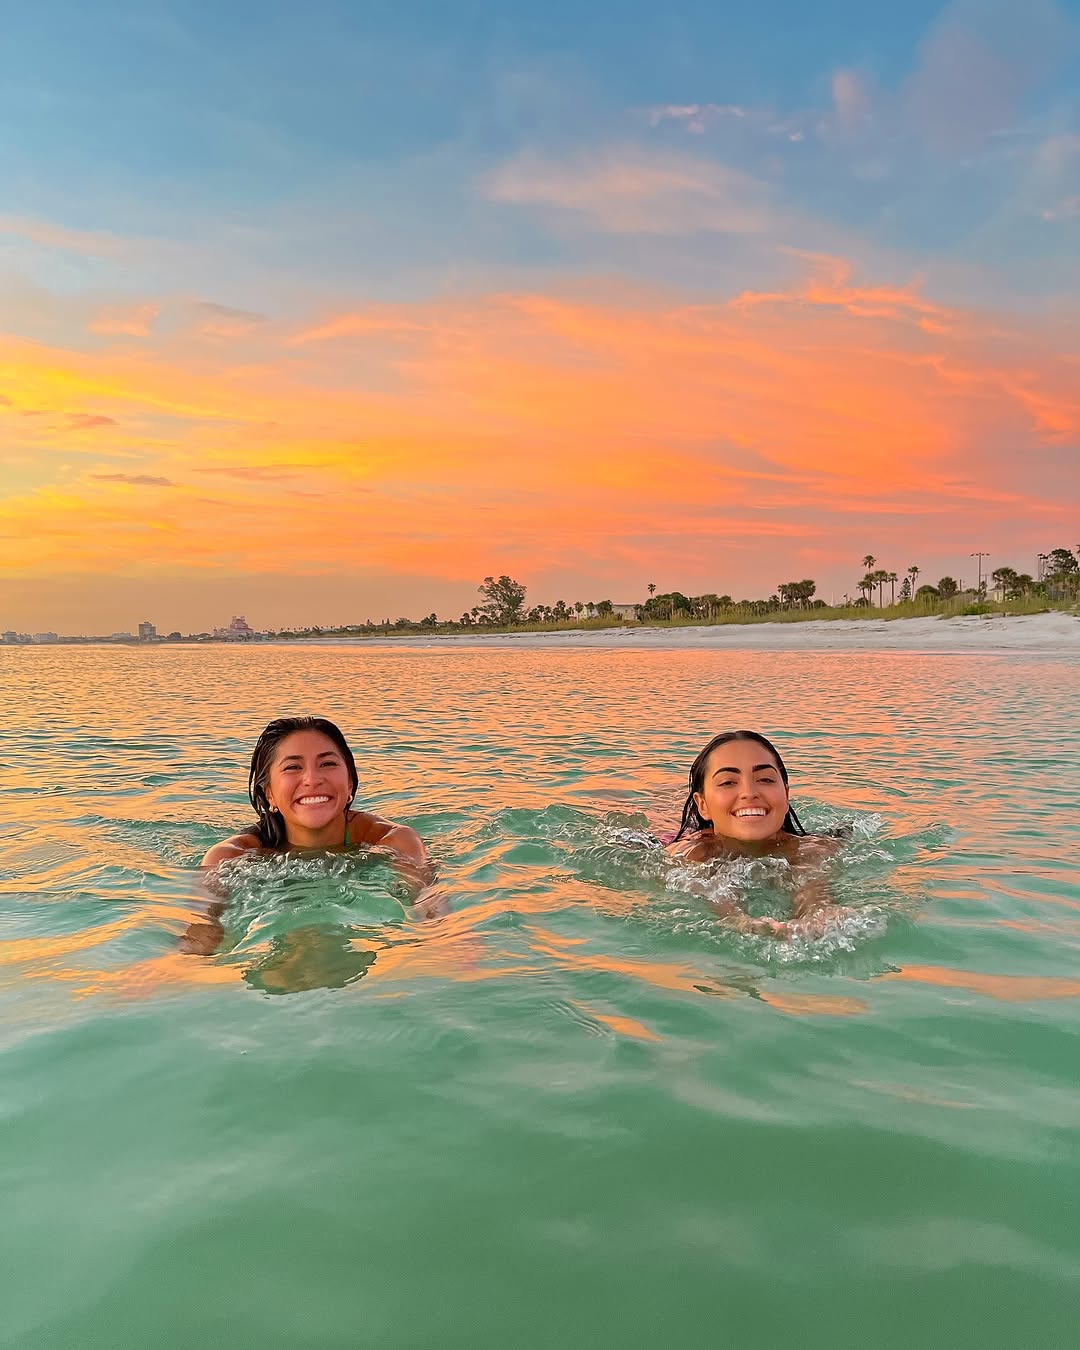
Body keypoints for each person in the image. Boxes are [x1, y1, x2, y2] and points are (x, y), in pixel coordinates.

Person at [184, 716, 439, 957]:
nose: (312, 779)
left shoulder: (395, 843)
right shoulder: (230, 858)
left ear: (350, 783)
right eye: (293, 767)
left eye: (327, 764)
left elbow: (434, 919)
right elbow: (199, 936)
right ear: (269, 793)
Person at [666, 729, 851, 938]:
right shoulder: (689, 854)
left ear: (786, 794)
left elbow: (812, 889)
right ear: (702, 805)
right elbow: (712, 892)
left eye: (765, 779)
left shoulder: (814, 848)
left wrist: (819, 914)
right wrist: (739, 921)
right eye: (728, 782)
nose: (749, 793)